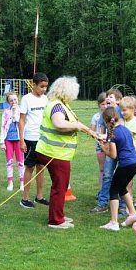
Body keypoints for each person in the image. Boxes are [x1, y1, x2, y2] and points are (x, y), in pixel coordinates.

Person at [35, 76, 96, 229]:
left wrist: (90, 132)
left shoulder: (61, 104)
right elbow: (58, 123)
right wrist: (78, 126)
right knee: (59, 187)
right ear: (67, 91)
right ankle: (55, 220)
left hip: (56, 153)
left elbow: (76, 124)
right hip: (55, 153)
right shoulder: (57, 106)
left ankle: (58, 215)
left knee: (60, 186)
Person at [98, 106, 136, 232]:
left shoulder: (112, 134)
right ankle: (133, 214)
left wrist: (103, 147)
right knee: (122, 188)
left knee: (113, 190)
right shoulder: (125, 129)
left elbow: (113, 155)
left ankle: (113, 222)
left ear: (106, 120)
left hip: (126, 164)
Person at [90, 88, 124, 214]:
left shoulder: (122, 111)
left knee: (121, 177)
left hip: (123, 150)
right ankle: (103, 203)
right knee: (107, 175)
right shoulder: (104, 114)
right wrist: (100, 137)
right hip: (110, 149)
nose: (108, 98)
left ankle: (122, 205)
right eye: (108, 96)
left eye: (111, 97)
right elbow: (101, 131)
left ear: (118, 101)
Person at [19, 72, 50, 208]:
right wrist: (21, 141)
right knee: (30, 168)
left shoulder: (46, 99)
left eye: (45, 87)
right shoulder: (26, 99)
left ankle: (39, 196)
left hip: (43, 139)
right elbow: (21, 120)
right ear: (34, 85)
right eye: (41, 86)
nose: (44, 89)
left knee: (41, 167)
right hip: (30, 138)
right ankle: (25, 198)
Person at [0, 91, 25, 192]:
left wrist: (15, 112)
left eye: (15, 99)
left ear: (17, 99)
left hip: (19, 140)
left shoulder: (21, 111)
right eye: (11, 100)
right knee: (9, 162)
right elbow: (2, 127)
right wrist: (2, 142)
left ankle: (22, 183)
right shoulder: (6, 112)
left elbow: (19, 121)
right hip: (8, 140)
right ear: (8, 102)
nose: (13, 101)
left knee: (20, 162)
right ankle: (10, 182)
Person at [90, 92, 108, 194]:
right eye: (102, 104)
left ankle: (111, 191)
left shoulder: (113, 115)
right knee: (102, 169)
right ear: (99, 105)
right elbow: (91, 131)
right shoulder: (96, 117)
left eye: (107, 103)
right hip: (100, 146)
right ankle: (101, 191)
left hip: (112, 146)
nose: (105, 106)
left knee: (111, 170)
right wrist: (98, 137)